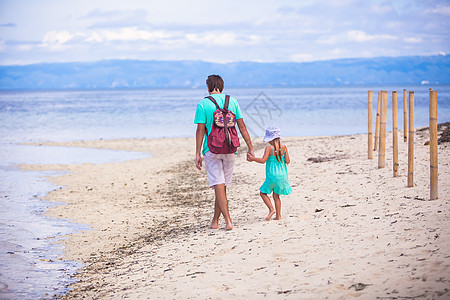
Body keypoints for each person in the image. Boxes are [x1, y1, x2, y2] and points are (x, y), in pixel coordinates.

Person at [194, 75, 254, 230]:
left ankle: (228, 221)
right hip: (230, 148)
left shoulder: (203, 104)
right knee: (221, 186)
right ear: (222, 86)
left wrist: (197, 153)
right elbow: (242, 127)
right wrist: (250, 147)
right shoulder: (232, 102)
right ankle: (215, 221)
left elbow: (200, 130)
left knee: (218, 185)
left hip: (211, 149)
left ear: (208, 87)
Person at [247, 126, 291, 221]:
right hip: (282, 176)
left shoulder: (269, 148)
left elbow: (263, 160)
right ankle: (278, 216)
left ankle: (271, 209)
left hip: (272, 176)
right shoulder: (284, 148)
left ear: (270, 139)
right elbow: (288, 161)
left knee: (263, 193)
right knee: (276, 195)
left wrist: (253, 159)